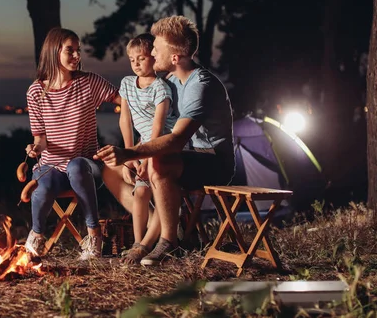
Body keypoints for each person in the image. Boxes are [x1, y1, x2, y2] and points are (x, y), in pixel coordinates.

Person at [95, 15, 235, 266]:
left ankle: (168, 242)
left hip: (214, 161)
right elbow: (150, 124)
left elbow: (176, 140)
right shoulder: (169, 82)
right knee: (117, 169)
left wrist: (131, 153)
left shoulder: (200, 85)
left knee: (160, 163)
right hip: (185, 157)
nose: (152, 53)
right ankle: (149, 236)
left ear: (174, 57)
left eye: (156, 50)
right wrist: (130, 158)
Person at [24, 27, 120, 260]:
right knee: (42, 188)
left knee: (76, 166)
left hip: (87, 166)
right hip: (53, 167)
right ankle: (36, 238)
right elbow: (41, 140)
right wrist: (35, 148)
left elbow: (123, 102)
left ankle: (94, 236)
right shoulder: (36, 92)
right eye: (70, 51)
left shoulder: (89, 83)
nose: (77, 56)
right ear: (54, 51)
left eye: (78, 51)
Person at [118, 33, 176, 263]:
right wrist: (128, 153)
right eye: (132, 59)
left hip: (162, 146)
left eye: (141, 58)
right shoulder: (126, 84)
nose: (136, 64)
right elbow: (125, 119)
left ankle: (148, 245)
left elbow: (159, 127)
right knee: (140, 193)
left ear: (153, 57)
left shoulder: (161, 88)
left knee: (156, 190)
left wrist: (146, 157)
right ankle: (137, 243)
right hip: (142, 146)